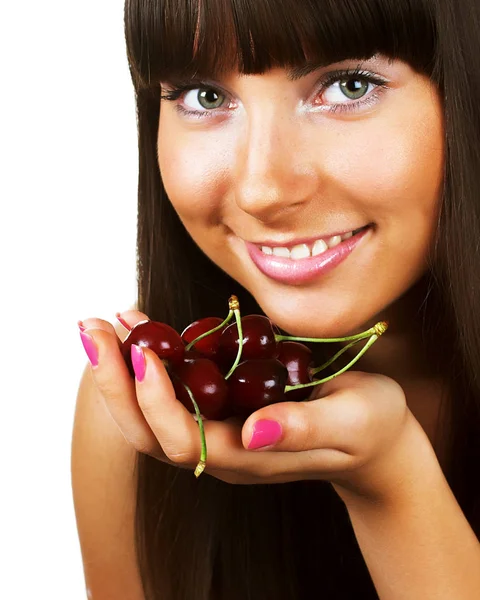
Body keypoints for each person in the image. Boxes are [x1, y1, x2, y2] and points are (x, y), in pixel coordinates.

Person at [71, 0, 480, 598]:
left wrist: (392, 484)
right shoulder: (141, 415)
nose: (262, 189)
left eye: (349, 86)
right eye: (203, 96)